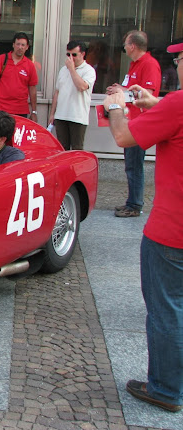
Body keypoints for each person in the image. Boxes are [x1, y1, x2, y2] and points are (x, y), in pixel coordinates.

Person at [102, 38, 183, 413]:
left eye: (179, 59)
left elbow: (123, 137)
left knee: (166, 310)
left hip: (172, 230)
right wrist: (152, 104)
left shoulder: (179, 104)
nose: (176, 66)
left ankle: (165, 389)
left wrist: (117, 108)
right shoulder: (174, 105)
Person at [106, 30, 161, 218]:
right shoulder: (135, 65)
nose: (124, 49)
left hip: (140, 122)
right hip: (131, 121)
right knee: (131, 164)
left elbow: (149, 94)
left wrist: (121, 90)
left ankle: (135, 204)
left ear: (133, 46)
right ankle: (132, 202)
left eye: (125, 45)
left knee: (135, 165)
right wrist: (119, 91)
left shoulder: (149, 64)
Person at [47, 41, 97, 150]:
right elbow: (57, 92)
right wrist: (52, 113)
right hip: (61, 115)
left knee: (76, 149)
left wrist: (72, 69)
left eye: (74, 55)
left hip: (77, 116)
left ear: (83, 54)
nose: (70, 58)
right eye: (68, 55)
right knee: (61, 148)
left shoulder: (89, 70)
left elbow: (82, 87)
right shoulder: (63, 70)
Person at [0, 32, 38, 121]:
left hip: (20, 111)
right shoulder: (2, 59)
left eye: (23, 45)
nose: (20, 47)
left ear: (27, 47)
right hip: (1, 109)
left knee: (17, 135)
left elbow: (32, 88)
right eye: (18, 44)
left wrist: (34, 112)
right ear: (13, 45)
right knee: (0, 135)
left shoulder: (30, 65)